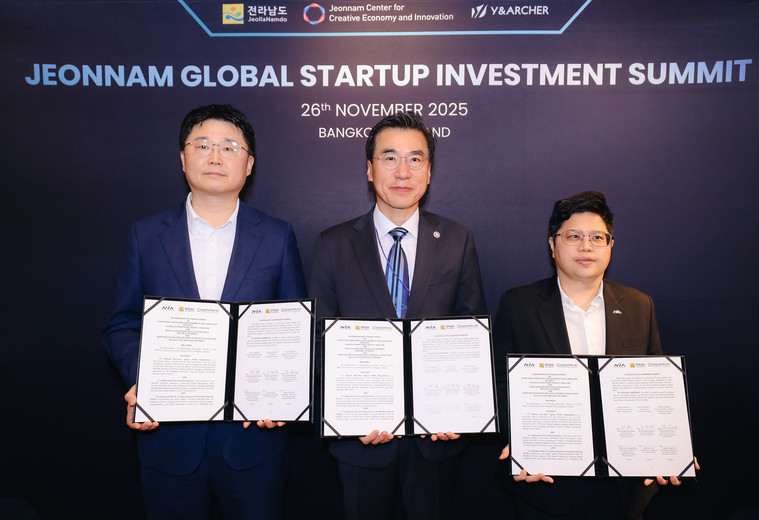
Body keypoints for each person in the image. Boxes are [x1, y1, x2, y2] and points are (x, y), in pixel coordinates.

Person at [103, 104, 306, 519]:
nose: (215, 156)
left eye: (229, 147)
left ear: (249, 165)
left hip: (253, 443)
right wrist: (143, 379)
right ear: (183, 158)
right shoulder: (146, 235)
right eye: (202, 145)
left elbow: (297, 330)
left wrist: (283, 390)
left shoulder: (277, 236)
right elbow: (122, 324)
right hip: (168, 441)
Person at [308, 111, 487, 520]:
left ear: (429, 171)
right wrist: (347, 415)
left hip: (435, 441)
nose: (402, 171)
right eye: (389, 158)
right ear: (370, 169)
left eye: (415, 159)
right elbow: (319, 340)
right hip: (360, 440)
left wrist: (459, 410)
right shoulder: (334, 243)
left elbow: (470, 331)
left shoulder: (457, 239)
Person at [494, 190, 697, 519]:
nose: (586, 247)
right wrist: (521, 445)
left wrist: (671, 448)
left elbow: (657, 390)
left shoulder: (639, 305)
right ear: (552, 245)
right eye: (573, 236)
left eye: (597, 237)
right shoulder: (519, 305)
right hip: (547, 484)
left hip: (624, 489)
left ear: (611, 245)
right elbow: (501, 386)